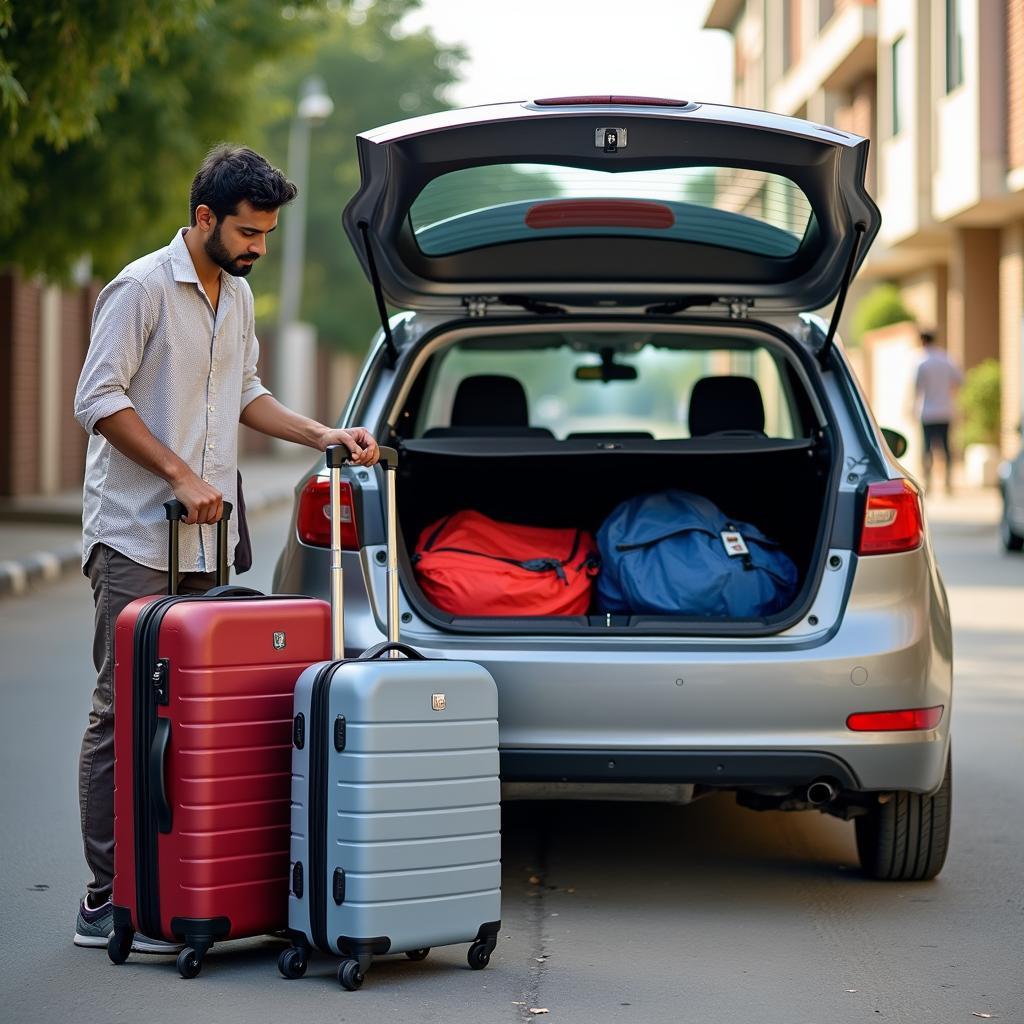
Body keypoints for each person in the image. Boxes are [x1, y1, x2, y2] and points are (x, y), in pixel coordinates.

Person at [72, 144, 380, 951]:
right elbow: (95, 398)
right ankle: (107, 896)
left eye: (268, 235)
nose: (258, 249)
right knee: (122, 713)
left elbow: (244, 393)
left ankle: (185, 880)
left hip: (207, 541)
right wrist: (177, 472)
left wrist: (324, 434)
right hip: (137, 536)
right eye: (248, 232)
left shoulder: (235, 297)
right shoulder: (140, 289)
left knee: (201, 715)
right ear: (204, 217)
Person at [914, 328, 962, 494]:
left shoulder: (921, 361)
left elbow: (917, 388)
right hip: (945, 410)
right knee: (946, 447)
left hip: (927, 412)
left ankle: (928, 483)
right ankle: (948, 483)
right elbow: (959, 380)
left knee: (927, 449)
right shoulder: (946, 359)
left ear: (922, 341)